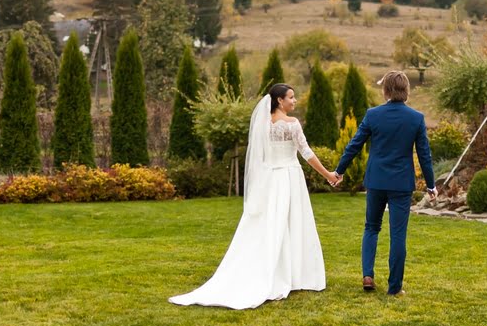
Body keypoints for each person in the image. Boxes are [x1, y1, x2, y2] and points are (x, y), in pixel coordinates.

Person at [169, 83, 336, 310]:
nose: (294, 101)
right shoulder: (292, 124)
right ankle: (294, 274)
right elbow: (306, 152)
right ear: (279, 100)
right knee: (293, 223)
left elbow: (258, 158)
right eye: (291, 97)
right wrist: (328, 174)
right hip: (288, 177)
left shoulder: (262, 125)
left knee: (270, 225)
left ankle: (276, 270)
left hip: (269, 181)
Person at [333, 70, 436, 296]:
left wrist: (339, 171)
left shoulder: (373, 114)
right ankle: (394, 288)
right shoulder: (416, 118)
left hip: (376, 181)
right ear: (406, 90)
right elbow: (424, 154)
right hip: (401, 183)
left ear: (386, 90)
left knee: (371, 227)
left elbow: (354, 145)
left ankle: (368, 274)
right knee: (398, 234)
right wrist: (431, 185)